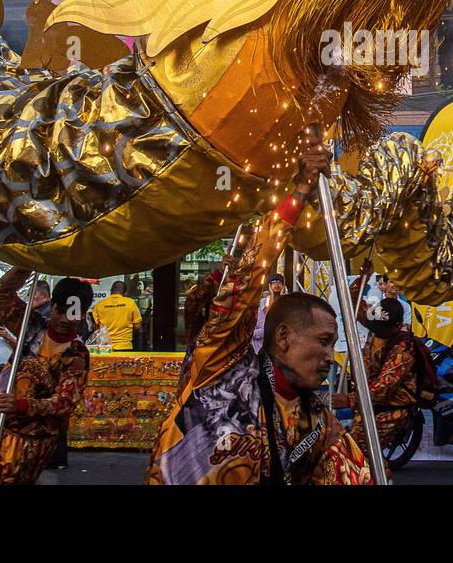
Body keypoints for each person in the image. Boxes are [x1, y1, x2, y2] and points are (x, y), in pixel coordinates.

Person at [148, 135, 370, 485]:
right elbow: (248, 278)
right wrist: (299, 190)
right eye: (324, 341)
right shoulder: (220, 367)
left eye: (332, 344)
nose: (330, 356)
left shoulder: (316, 421)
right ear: (282, 336)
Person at [0, 272, 94, 484]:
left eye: (73, 313)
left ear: (83, 315)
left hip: (32, 441)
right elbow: (0, 294)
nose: (65, 320)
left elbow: (64, 403)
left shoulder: (76, 354)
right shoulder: (32, 324)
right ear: (52, 306)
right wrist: (27, 264)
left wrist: (20, 405)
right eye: (60, 311)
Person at [335, 282, 421, 472]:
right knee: (365, 460)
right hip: (369, 408)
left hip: (391, 411)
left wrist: (348, 400)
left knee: (356, 453)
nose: (375, 329)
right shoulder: (380, 323)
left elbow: (383, 388)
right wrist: (361, 277)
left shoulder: (403, 348)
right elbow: (353, 301)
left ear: (397, 326)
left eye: (380, 328)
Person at [90, 280, 142, 351]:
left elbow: (96, 327)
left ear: (111, 291)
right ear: (125, 293)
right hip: (125, 346)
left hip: (105, 347)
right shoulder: (131, 303)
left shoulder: (99, 305)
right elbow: (137, 326)